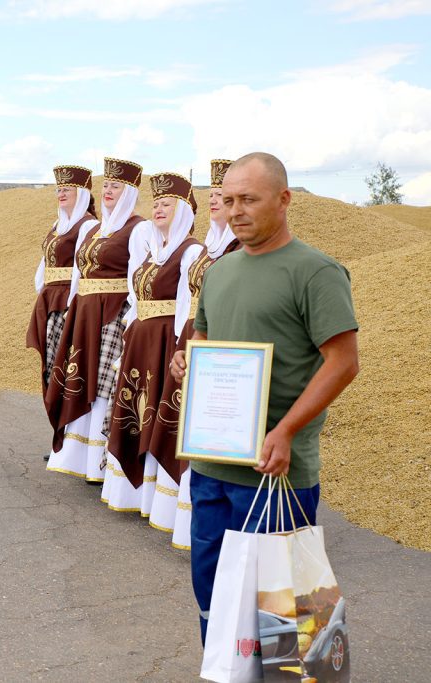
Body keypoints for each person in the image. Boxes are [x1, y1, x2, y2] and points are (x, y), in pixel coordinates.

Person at [169, 152, 359, 642]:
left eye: (249, 199)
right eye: (229, 200)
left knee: (283, 607)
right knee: (213, 593)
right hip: (212, 464)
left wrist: (287, 430)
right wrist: (186, 361)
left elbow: (343, 362)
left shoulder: (316, 272)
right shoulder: (219, 272)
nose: (236, 211)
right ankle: (224, 672)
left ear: (284, 199)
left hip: (276, 470)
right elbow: (206, 342)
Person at [106, 173, 202, 522]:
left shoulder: (190, 251)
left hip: (164, 344)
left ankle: (155, 495)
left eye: (167, 204)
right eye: (156, 204)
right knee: (134, 410)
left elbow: (183, 306)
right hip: (141, 340)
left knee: (154, 413)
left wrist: (178, 345)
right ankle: (133, 492)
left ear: (183, 211)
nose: (159, 209)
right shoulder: (152, 252)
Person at [152, 158, 238, 549]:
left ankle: (217, 529)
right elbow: (189, 300)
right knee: (184, 426)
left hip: (224, 344)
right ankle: (186, 519)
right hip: (194, 337)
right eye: (212, 194)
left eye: (223, 195)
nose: (215, 200)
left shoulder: (238, 247)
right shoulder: (207, 247)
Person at [45, 157, 145, 481]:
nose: (108, 191)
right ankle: (76, 458)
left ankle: (99, 465)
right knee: (79, 381)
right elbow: (78, 273)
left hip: (112, 316)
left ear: (129, 191)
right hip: (85, 315)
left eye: (116, 186)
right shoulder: (96, 229)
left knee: (102, 390)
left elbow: (136, 277)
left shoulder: (137, 228)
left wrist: (130, 318)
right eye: (106, 186)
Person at [27, 165, 98, 461]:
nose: (61, 194)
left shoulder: (88, 225)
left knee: (65, 371)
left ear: (81, 193)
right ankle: (60, 436)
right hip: (49, 304)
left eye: (67, 190)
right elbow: (45, 265)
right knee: (50, 370)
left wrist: (72, 305)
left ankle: (70, 441)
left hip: (67, 305)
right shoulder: (58, 225)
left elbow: (82, 269)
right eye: (59, 190)